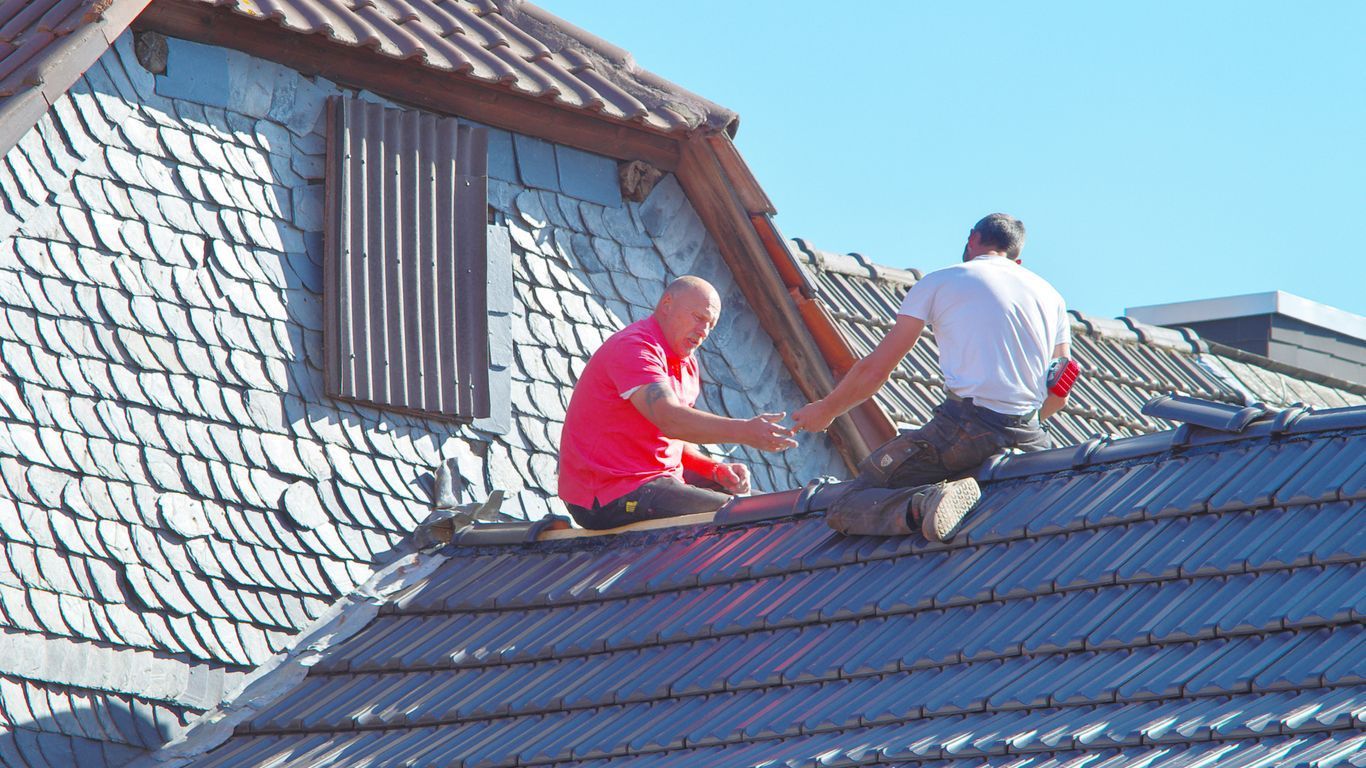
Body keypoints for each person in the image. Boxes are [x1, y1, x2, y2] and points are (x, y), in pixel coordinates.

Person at [792, 213, 1073, 541]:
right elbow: (1060, 391)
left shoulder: (941, 282)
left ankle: (923, 505)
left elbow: (876, 370)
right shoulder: (1052, 297)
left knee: (849, 501)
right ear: (1017, 259)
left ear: (972, 239)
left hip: (965, 427)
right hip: (1028, 434)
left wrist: (825, 410)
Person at [558, 276, 798, 530]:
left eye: (711, 325)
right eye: (698, 317)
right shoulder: (635, 347)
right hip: (605, 495)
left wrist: (714, 469)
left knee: (774, 507)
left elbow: (675, 440)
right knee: (741, 516)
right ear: (667, 304)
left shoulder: (686, 364)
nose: (704, 331)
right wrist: (746, 431)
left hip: (653, 480)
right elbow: (671, 420)